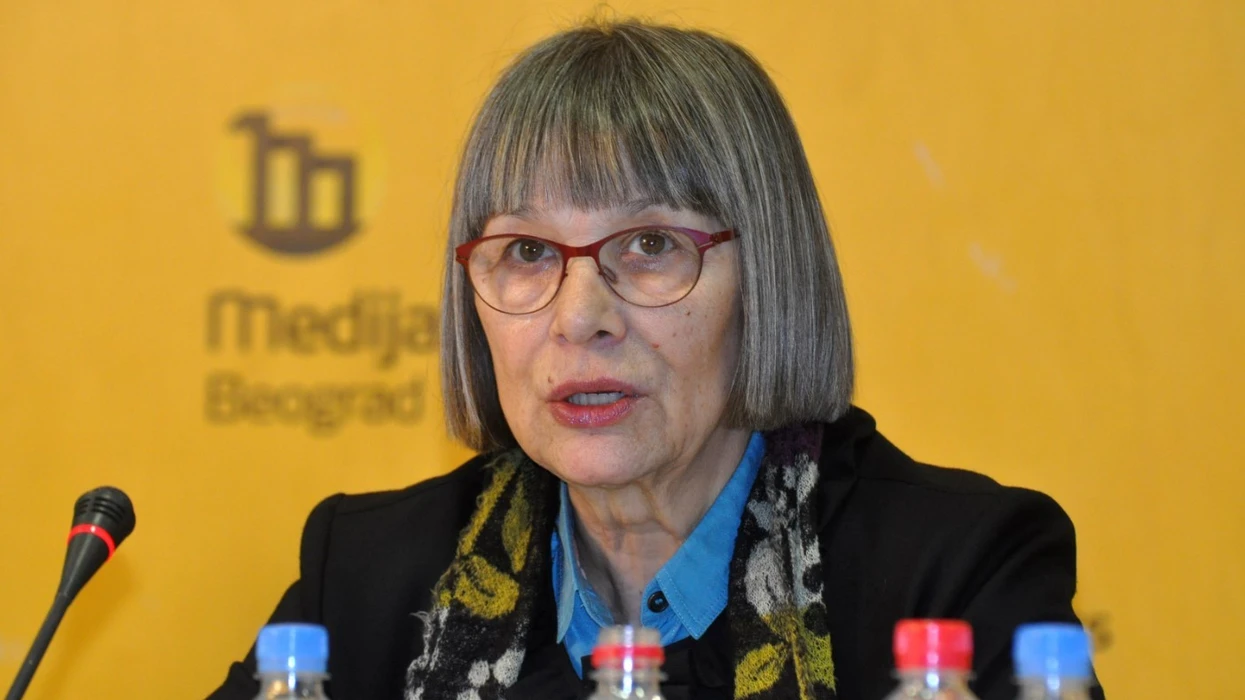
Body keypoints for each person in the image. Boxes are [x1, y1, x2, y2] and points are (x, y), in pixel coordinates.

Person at [208, 19, 1103, 700]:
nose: (579, 317)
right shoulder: (368, 576)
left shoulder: (952, 574)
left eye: (648, 245)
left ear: (767, 279)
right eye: (527, 252)